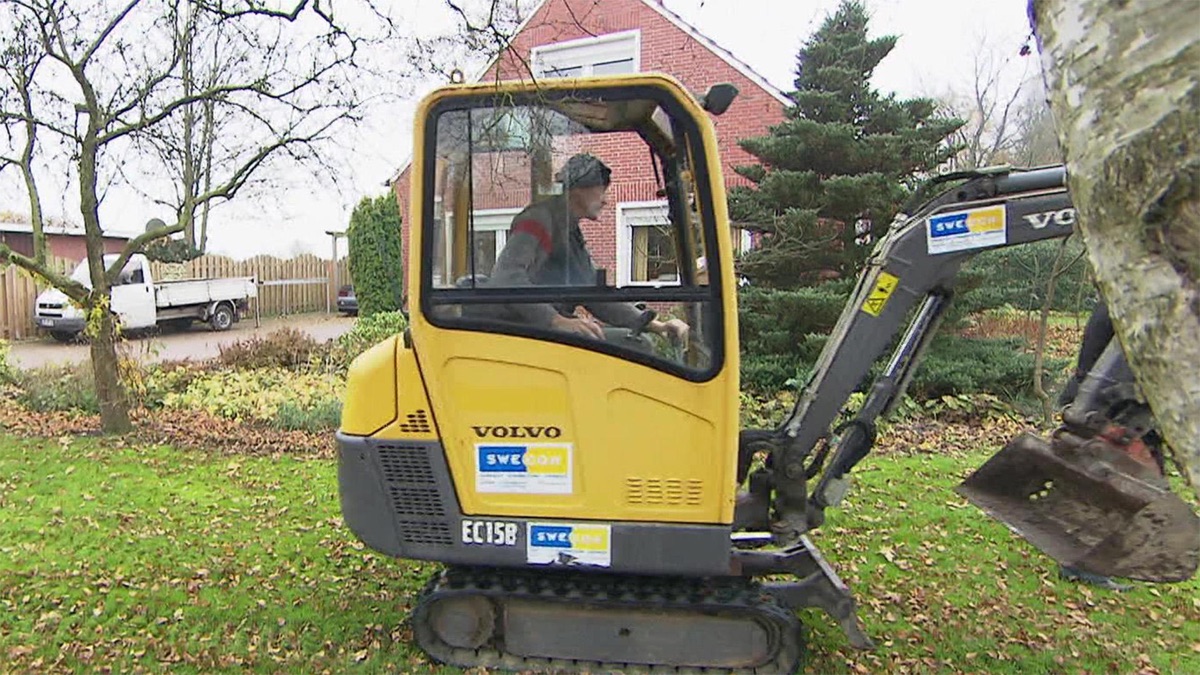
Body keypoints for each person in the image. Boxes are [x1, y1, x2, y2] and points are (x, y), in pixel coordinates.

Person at [482, 152, 689, 344]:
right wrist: (556, 321)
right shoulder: (538, 220)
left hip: (543, 331)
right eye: (601, 189)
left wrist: (655, 326)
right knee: (638, 347)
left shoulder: (570, 231)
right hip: (519, 333)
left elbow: (594, 296)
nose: (605, 200)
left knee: (637, 341)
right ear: (578, 189)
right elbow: (505, 277)